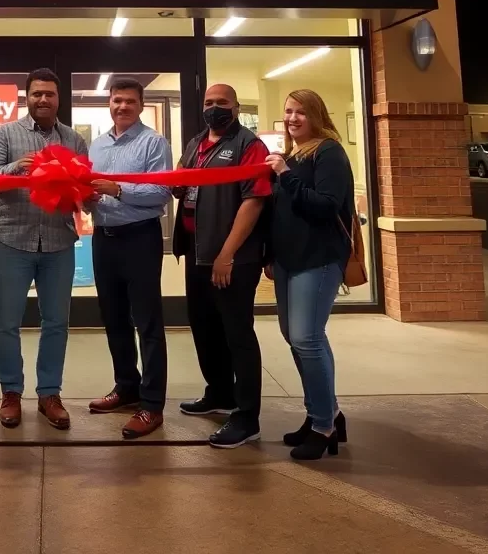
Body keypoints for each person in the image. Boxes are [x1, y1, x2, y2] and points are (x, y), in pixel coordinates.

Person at [0, 68, 88, 430]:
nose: (43, 99)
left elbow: (84, 186)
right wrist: (17, 167)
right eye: (37, 93)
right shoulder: (6, 133)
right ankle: (10, 392)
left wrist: (83, 191)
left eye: (50, 94)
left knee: (57, 322)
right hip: (13, 238)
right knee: (7, 323)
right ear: (26, 97)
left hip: (58, 241)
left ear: (59, 99)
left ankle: (49, 394)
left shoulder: (74, 139)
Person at [172, 83, 272, 450]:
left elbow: (254, 201)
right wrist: (177, 186)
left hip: (230, 259)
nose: (215, 109)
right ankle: (219, 393)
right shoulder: (196, 143)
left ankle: (247, 417)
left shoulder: (249, 146)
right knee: (205, 328)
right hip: (198, 255)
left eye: (222, 103)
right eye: (209, 103)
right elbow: (182, 182)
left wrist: (227, 253)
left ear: (236, 106)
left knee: (237, 335)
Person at [266, 88, 354, 460]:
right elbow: (280, 213)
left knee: (307, 339)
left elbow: (326, 206)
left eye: (301, 112)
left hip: (317, 260)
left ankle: (323, 426)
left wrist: (285, 174)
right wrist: (271, 256)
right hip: (288, 259)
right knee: (298, 336)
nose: (293, 118)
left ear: (317, 114)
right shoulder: (291, 155)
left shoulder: (328, 152)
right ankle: (327, 413)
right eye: (288, 111)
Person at [87, 77, 172, 439]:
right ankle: (126, 387)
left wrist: (118, 189)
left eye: (129, 102)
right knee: (114, 319)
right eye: (117, 100)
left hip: (140, 238)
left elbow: (162, 192)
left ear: (140, 104)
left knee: (147, 322)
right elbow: (89, 187)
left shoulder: (154, 142)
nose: (122, 107)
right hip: (104, 238)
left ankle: (152, 405)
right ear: (110, 102)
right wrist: (82, 196)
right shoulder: (97, 145)